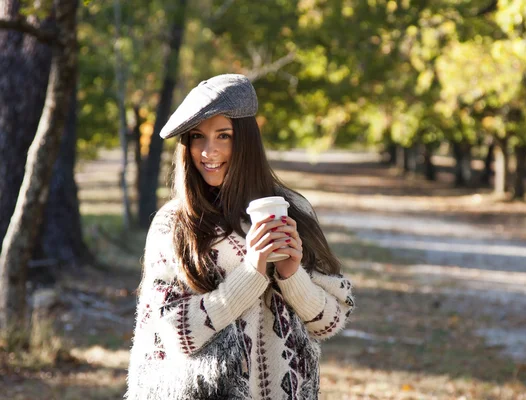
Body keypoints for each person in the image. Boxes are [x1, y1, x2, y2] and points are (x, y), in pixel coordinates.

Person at [125, 74, 354, 400]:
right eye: (197, 137)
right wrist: (253, 272)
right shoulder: (173, 224)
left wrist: (291, 276)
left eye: (224, 136)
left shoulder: (293, 210)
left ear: (246, 140)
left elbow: (330, 322)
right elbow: (175, 332)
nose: (208, 151)